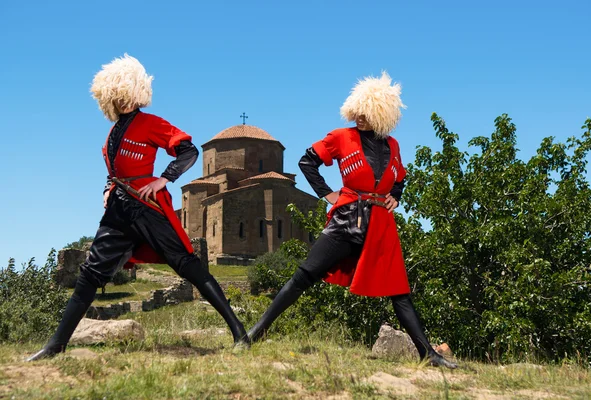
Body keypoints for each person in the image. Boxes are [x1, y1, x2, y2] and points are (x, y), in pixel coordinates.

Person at [27, 54, 248, 361]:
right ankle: (56, 345)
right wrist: (109, 188)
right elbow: (113, 169)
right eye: (114, 95)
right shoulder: (113, 132)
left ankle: (239, 332)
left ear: (134, 93)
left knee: (187, 266)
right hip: (118, 210)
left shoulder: (152, 123)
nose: (119, 100)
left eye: (123, 93)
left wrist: (164, 179)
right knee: (90, 273)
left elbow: (189, 150)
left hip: (148, 208)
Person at [246, 72, 457, 368]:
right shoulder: (341, 137)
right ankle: (255, 334)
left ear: (382, 114)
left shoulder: (393, 145)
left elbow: (400, 178)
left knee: (400, 293)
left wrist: (397, 195)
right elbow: (307, 161)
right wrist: (327, 194)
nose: (358, 116)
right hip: (346, 218)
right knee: (304, 276)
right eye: (356, 110)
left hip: (380, 225)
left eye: (366, 112)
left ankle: (429, 354)